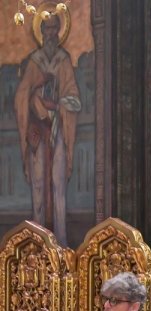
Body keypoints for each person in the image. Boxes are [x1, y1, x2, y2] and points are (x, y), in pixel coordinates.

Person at [14, 11, 81, 244]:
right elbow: (21, 96)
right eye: (47, 28)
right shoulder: (34, 61)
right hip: (37, 134)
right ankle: (38, 244)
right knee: (39, 185)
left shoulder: (63, 61)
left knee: (58, 184)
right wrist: (35, 95)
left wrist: (56, 104)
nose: (50, 33)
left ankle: (60, 246)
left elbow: (74, 99)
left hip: (58, 132)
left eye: (54, 28)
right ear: (41, 32)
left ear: (59, 31)